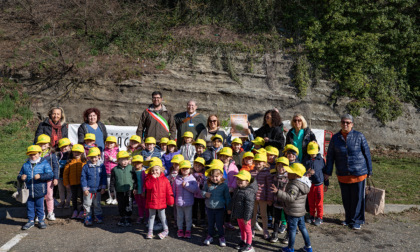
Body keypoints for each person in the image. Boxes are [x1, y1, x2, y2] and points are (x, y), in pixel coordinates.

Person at [325, 114, 372, 230]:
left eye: (348, 122)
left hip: (358, 173)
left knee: (357, 198)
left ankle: (358, 220)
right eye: (343, 122)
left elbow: (367, 153)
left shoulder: (359, 136)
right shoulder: (335, 138)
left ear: (352, 124)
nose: (345, 124)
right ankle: (348, 218)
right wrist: (328, 172)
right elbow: (330, 156)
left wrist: (369, 170)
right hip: (343, 173)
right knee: (346, 198)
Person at [271, 163, 313, 252]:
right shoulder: (303, 182)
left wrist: (278, 192)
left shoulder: (293, 185)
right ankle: (308, 247)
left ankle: (290, 248)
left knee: (292, 230)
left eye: (290, 172)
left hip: (293, 212)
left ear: (296, 175)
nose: (287, 173)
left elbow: (290, 198)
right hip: (300, 211)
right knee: (303, 228)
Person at [19, 145, 53, 230]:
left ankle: (41, 220)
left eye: (35, 154)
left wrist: (41, 176)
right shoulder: (26, 164)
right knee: (30, 206)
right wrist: (21, 177)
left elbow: (50, 174)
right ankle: (30, 221)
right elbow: (20, 174)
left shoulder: (44, 163)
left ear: (40, 153)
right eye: (31, 155)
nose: (33, 156)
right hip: (28, 190)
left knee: (39, 206)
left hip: (40, 189)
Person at [202, 159, 231, 247]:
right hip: (209, 208)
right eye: (212, 176)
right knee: (210, 223)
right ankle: (210, 236)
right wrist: (205, 194)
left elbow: (227, 198)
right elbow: (202, 192)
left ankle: (221, 237)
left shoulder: (224, 186)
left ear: (221, 175)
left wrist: (229, 208)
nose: (214, 178)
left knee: (219, 224)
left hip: (220, 209)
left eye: (217, 176)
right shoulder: (207, 184)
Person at [144, 157, 174, 239]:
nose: (154, 172)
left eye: (156, 170)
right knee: (151, 216)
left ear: (161, 169)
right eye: (152, 170)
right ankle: (150, 231)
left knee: (162, 216)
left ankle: (166, 230)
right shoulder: (149, 178)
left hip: (161, 201)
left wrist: (170, 201)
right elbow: (147, 186)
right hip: (151, 201)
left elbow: (169, 191)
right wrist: (152, 179)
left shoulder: (165, 180)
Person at [228, 170, 258, 252]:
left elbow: (249, 206)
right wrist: (230, 208)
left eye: (241, 180)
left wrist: (247, 218)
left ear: (247, 182)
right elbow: (233, 200)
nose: (239, 181)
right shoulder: (237, 189)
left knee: (248, 230)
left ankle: (249, 245)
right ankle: (243, 241)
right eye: (238, 179)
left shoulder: (249, 192)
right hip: (238, 214)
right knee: (241, 229)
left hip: (245, 216)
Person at [303, 142, 329, 226]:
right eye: (310, 152)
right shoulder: (305, 160)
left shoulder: (321, 160)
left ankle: (320, 217)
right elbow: (302, 172)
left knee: (319, 202)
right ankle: (311, 215)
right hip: (309, 184)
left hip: (319, 185)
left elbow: (325, 173)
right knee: (310, 201)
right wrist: (307, 172)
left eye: (313, 152)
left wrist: (326, 184)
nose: (312, 154)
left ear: (318, 150)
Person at [81, 147, 107, 226]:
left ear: (99, 156)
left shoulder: (101, 166)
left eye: (95, 157)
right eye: (91, 157)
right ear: (89, 157)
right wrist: (84, 188)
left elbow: (104, 177)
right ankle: (88, 217)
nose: (93, 159)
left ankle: (98, 216)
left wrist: (103, 187)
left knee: (97, 204)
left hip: (98, 190)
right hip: (88, 190)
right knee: (87, 204)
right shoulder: (86, 167)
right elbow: (83, 178)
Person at [110, 151, 136, 227]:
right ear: (118, 160)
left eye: (126, 160)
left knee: (129, 204)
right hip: (119, 190)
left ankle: (128, 217)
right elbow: (112, 181)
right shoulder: (115, 169)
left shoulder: (131, 168)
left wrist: (135, 188)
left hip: (129, 190)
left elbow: (135, 179)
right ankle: (122, 217)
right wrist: (111, 190)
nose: (124, 162)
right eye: (122, 160)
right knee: (121, 205)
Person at [36, 134, 59, 221]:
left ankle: (50, 213)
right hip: (38, 180)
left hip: (49, 179)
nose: (42, 146)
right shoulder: (36, 154)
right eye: (40, 144)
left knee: (49, 196)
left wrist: (56, 178)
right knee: (40, 197)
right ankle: (40, 214)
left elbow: (56, 167)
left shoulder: (51, 155)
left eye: (45, 144)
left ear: (48, 144)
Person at [251, 153, 274, 240]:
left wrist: (269, 199)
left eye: (260, 162)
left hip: (263, 197)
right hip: (253, 197)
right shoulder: (251, 172)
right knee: (253, 214)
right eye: (256, 162)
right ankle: (252, 228)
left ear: (264, 163)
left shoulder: (267, 173)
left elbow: (269, 187)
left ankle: (265, 230)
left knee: (264, 215)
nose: (257, 163)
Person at [173, 160, 198, 239]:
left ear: (190, 169)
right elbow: (173, 190)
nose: (185, 170)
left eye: (186, 169)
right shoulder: (177, 179)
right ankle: (180, 229)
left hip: (188, 202)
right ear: (180, 169)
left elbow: (195, 190)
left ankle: (188, 229)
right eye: (183, 169)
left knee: (188, 217)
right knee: (179, 217)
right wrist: (172, 199)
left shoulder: (192, 179)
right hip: (178, 202)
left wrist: (187, 185)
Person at [63, 144, 86, 219]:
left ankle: (82, 210)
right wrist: (66, 183)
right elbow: (65, 174)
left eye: (78, 152)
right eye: (75, 152)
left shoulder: (84, 162)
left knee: (82, 197)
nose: (76, 153)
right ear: (72, 153)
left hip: (82, 184)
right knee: (74, 197)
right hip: (72, 183)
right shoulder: (69, 162)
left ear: (82, 153)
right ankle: (75, 210)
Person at [218, 147, 239, 230]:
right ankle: (220, 222)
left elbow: (236, 177)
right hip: (221, 189)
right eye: (223, 156)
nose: (225, 158)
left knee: (228, 207)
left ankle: (227, 222)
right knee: (220, 207)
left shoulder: (233, 166)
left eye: (227, 156)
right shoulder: (218, 165)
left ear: (230, 157)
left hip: (230, 190)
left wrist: (232, 187)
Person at [270, 157, 289, 243]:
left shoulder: (289, 177)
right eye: (279, 166)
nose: (281, 168)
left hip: (285, 202)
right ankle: (275, 233)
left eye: (283, 166)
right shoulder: (274, 176)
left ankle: (288, 235)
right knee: (276, 219)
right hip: (276, 201)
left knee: (287, 218)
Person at [56, 138, 72, 209]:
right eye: (62, 147)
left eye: (65, 146)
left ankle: (68, 201)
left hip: (68, 176)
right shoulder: (58, 154)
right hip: (60, 175)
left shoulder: (71, 154)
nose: (64, 148)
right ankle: (62, 201)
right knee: (61, 189)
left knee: (68, 189)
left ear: (69, 146)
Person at [132, 155, 148, 224]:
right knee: (139, 205)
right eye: (135, 163)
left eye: (138, 163)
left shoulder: (144, 171)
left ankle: (147, 217)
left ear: (142, 163)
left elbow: (145, 182)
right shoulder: (133, 171)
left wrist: (144, 191)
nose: (136, 164)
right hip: (137, 191)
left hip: (143, 192)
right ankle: (141, 216)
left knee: (145, 205)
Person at [104, 136, 119, 205]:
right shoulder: (104, 151)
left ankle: (116, 198)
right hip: (107, 171)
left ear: (115, 144)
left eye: (112, 143)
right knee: (109, 185)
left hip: (115, 172)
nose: (109, 144)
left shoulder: (117, 151)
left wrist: (113, 159)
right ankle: (110, 197)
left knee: (115, 186)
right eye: (108, 143)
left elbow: (120, 161)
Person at [192, 157, 206, 227]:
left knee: (202, 207)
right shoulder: (192, 174)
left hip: (201, 194)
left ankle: (202, 219)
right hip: (194, 194)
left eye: (199, 166)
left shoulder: (204, 174)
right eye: (196, 166)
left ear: (203, 166)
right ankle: (194, 219)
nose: (197, 167)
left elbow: (205, 183)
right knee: (194, 207)